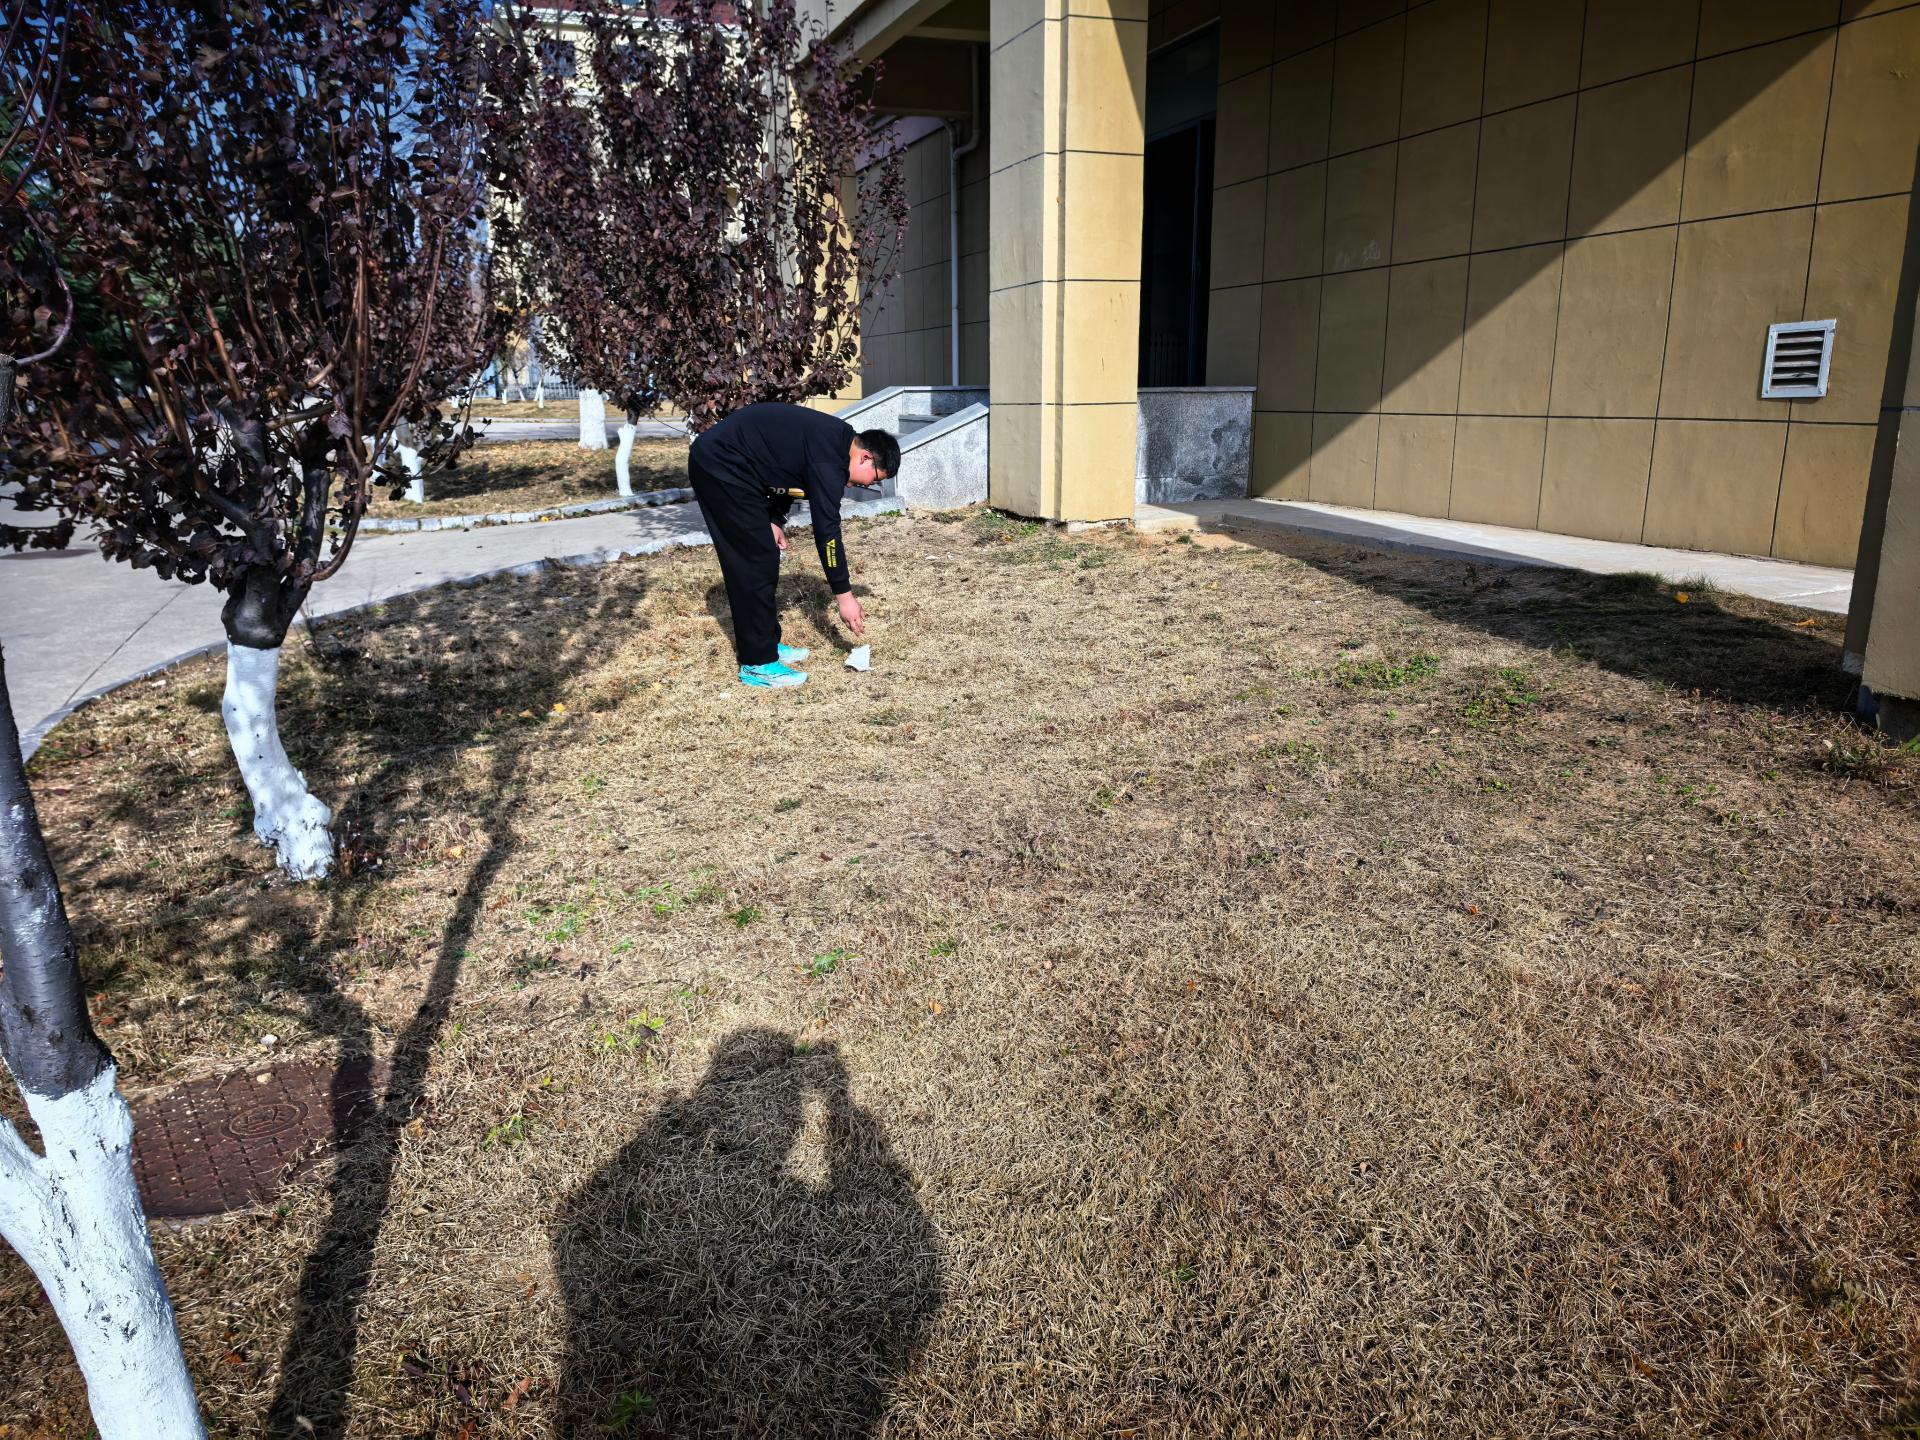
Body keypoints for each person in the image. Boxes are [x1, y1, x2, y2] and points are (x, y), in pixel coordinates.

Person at [688, 402, 899, 688]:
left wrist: (775, 518)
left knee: (765, 555)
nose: (861, 486)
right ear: (865, 457)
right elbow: (827, 532)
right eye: (871, 480)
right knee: (753, 562)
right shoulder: (829, 462)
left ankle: (766, 643)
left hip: (739, 466)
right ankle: (758, 663)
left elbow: (789, 470)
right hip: (720, 465)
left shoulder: (837, 442)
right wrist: (844, 596)